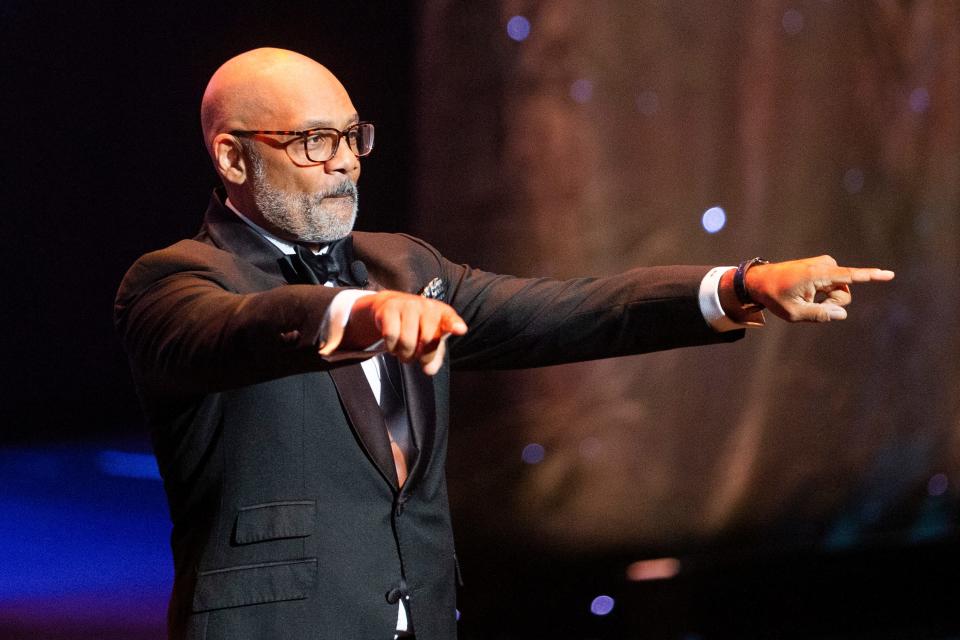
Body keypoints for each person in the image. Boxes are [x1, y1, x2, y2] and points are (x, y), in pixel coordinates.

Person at [114, 48, 894, 640]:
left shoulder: (405, 265)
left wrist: (742, 286)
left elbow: (563, 310)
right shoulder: (174, 279)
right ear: (231, 155)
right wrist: (355, 316)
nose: (347, 161)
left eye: (353, 137)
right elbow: (235, 332)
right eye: (315, 141)